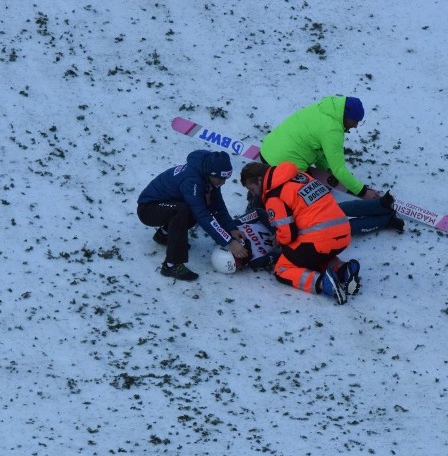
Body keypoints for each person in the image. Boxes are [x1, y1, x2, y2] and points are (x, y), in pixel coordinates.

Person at [259, 95, 404, 233]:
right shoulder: (332, 130)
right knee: (328, 211)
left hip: (270, 152)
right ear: (346, 117)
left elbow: (318, 145)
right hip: (283, 166)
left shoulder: (325, 109)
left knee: (327, 212)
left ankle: (382, 211)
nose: (356, 126)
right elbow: (338, 168)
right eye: (355, 121)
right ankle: (382, 212)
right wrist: (363, 192)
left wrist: (325, 171)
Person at [239, 161, 361, 305]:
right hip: (342, 232)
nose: (253, 194)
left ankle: (324, 283)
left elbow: (288, 234)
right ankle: (345, 270)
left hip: (320, 238)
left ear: (260, 180)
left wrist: (278, 238)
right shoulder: (300, 176)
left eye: (252, 189)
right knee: (313, 255)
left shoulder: (274, 195)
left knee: (283, 268)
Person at [137, 150, 249, 280]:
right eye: (220, 178)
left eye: (225, 179)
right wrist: (229, 242)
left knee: (190, 209)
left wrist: (231, 228)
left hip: (166, 204)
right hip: (148, 209)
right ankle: (171, 265)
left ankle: (164, 234)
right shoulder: (192, 180)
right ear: (210, 173)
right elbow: (202, 215)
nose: (223, 182)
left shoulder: (208, 175)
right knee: (184, 210)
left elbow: (217, 206)